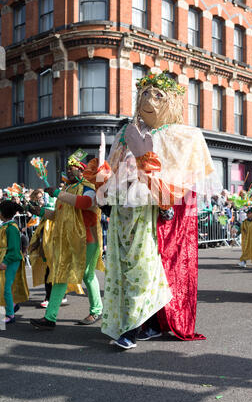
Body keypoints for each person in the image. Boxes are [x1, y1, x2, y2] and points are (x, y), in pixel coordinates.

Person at [84, 71, 221, 349]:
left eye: (158, 95)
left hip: (161, 215)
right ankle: (135, 323)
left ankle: (141, 327)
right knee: (127, 270)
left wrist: (159, 194)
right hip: (128, 212)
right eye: (145, 93)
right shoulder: (127, 132)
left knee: (146, 270)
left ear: (172, 101)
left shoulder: (186, 136)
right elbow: (111, 173)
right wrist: (96, 176)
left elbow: (184, 185)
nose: (149, 99)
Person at [30, 154, 104, 329]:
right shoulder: (68, 190)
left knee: (87, 274)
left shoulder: (89, 187)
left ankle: (96, 310)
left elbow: (86, 203)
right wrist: (39, 211)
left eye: (73, 168)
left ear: (81, 170)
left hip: (88, 239)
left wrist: (57, 193)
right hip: (69, 240)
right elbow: (58, 216)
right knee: (61, 275)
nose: (69, 171)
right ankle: (50, 318)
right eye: (68, 169)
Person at [0, 200, 29, 324]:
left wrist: (5, 261)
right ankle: (12, 305)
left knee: (6, 287)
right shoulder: (6, 225)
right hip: (7, 258)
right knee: (6, 286)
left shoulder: (11, 228)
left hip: (10, 260)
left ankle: (10, 314)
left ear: (3, 213)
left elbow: (13, 248)